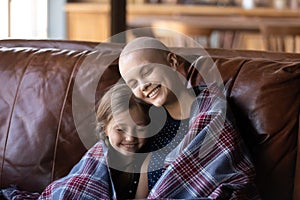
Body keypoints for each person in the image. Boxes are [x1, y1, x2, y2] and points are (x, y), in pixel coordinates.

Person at [118, 36, 261, 199]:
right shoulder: (147, 126)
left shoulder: (212, 110)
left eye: (147, 71)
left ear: (172, 61)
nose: (143, 85)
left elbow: (228, 176)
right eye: (133, 83)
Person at [1, 82, 151, 200]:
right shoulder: (99, 156)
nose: (130, 137)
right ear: (105, 128)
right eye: (120, 129)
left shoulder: (149, 159)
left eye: (140, 129)